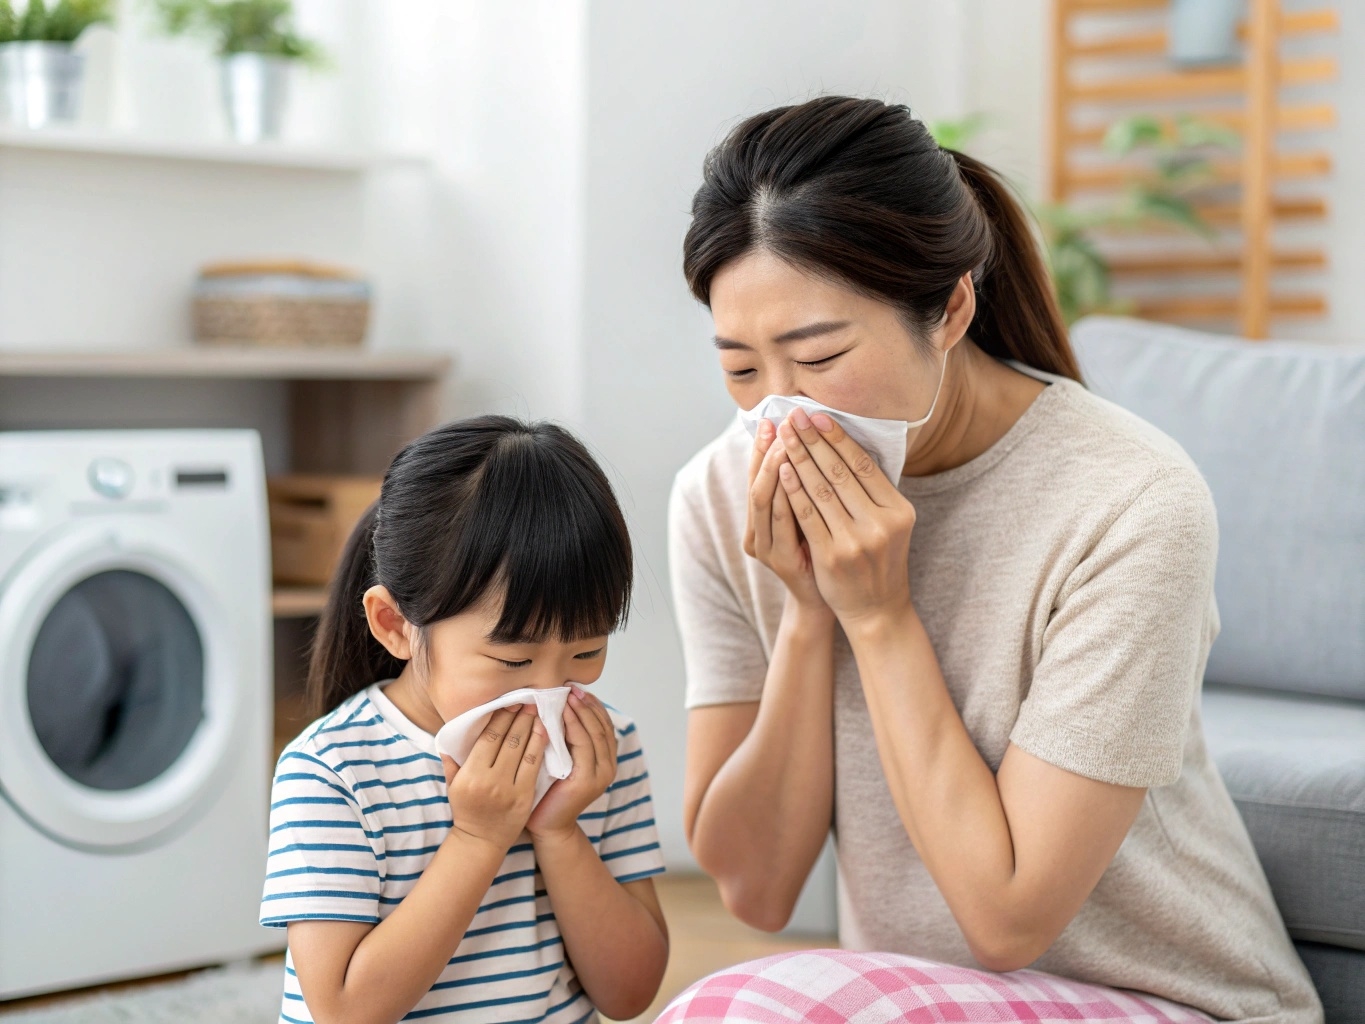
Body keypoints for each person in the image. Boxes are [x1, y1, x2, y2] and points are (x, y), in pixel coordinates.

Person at [670, 96, 1321, 1023]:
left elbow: (1007, 918)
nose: (780, 413)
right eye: (741, 368)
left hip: (1169, 999)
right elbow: (756, 891)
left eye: (817, 356)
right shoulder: (719, 494)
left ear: (950, 310)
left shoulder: (1129, 502)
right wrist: (808, 615)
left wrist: (880, 617)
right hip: (922, 999)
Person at [262, 417, 668, 1024]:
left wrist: (559, 832)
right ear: (396, 625)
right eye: (512, 658)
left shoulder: (601, 752)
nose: (550, 689)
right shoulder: (332, 772)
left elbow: (630, 994)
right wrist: (478, 838)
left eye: (586, 651)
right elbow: (344, 1011)